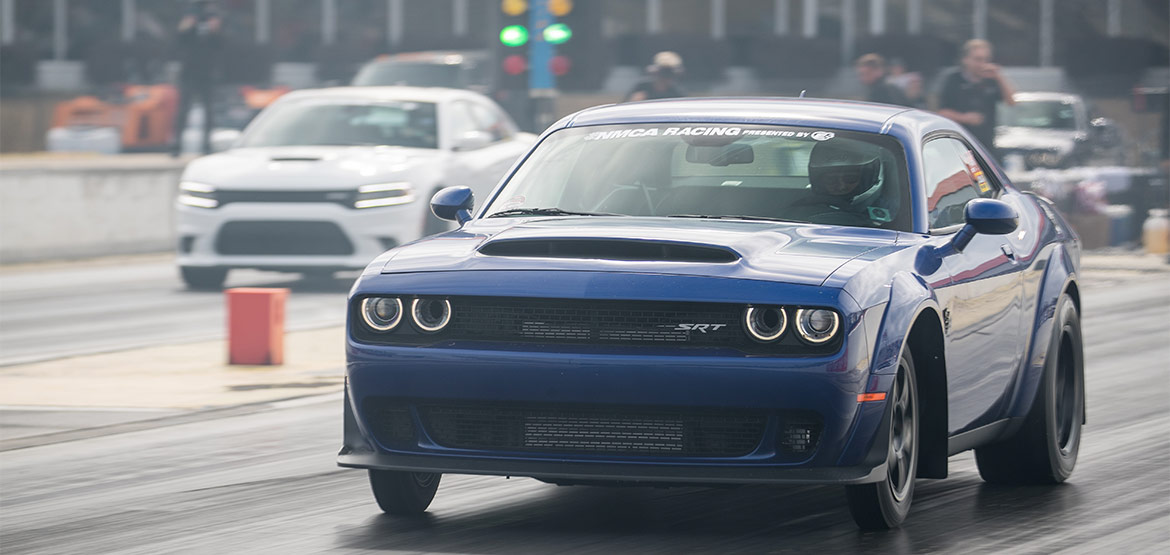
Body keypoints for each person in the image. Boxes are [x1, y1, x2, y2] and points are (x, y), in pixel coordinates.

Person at [936, 39, 1016, 159]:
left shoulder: (992, 80)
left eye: (986, 60)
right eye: (978, 59)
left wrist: (999, 78)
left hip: (986, 145)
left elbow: (1011, 101)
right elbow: (940, 112)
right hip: (958, 143)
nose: (982, 64)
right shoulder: (953, 80)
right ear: (965, 60)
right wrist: (964, 118)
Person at [171, 0, 223, 156]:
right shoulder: (189, 13)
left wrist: (215, 30)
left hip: (207, 73)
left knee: (209, 111)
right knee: (183, 110)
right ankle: (176, 145)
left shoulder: (214, 15)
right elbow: (179, 40)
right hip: (189, 72)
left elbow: (221, 45)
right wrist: (187, 25)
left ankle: (206, 145)